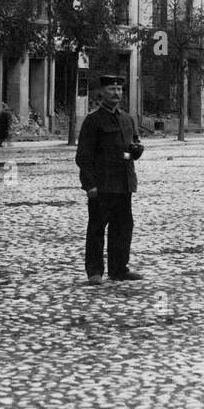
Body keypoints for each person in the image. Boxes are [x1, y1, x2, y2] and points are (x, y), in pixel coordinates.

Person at [76, 75, 144, 286]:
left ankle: (119, 269)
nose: (117, 93)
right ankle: (95, 272)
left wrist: (137, 150)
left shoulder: (127, 119)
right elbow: (83, 156)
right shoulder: (93, 120)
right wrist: (90, 186)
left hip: (123, 184)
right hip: (102, 185)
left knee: (122, 229)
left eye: (120, 90)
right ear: (102, 92)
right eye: (112, 89)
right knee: (97, 229)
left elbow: (134, 145)